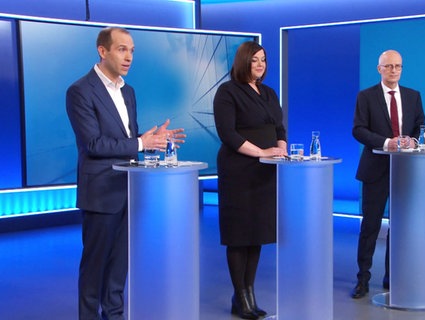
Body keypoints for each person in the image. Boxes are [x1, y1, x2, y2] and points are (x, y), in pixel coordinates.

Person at [66, 27, 185, 320]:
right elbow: (93, 143)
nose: (129, 56)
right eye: (122, 49)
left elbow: (126, 139)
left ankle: (115, 315)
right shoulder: (80, 91)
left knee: (119, 266)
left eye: (132, 50)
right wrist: (142, 142)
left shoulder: (128, 92)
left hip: (128, 189)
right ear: (102, 51)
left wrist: (150, 138)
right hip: (101, 193)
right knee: (95, 267)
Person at [213, 41, 287, 319]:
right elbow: (228, 134)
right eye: (255, 60)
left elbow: (279, 127)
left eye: (264, 60)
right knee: (239, 235)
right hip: (238, 171)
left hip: (264, 172)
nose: (260, 65)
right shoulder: (227, 92)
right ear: (243, 61)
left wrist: (279, 148)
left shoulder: (269, 92)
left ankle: (248, 293)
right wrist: (262, 152)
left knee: (257, 234)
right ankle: (241, 297)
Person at [351, 49, 425, 299]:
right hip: (375, 170)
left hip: (405, 171)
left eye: (398, 66)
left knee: (400, 226)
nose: (394, 70)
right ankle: (363, 278)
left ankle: (392, 275)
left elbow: (420, 126)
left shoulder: (413, 96)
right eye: (389, 66)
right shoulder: (367, 96)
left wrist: (413, 141)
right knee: (370, 225)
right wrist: (386, 143)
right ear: (379, 69)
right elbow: (358, 130)